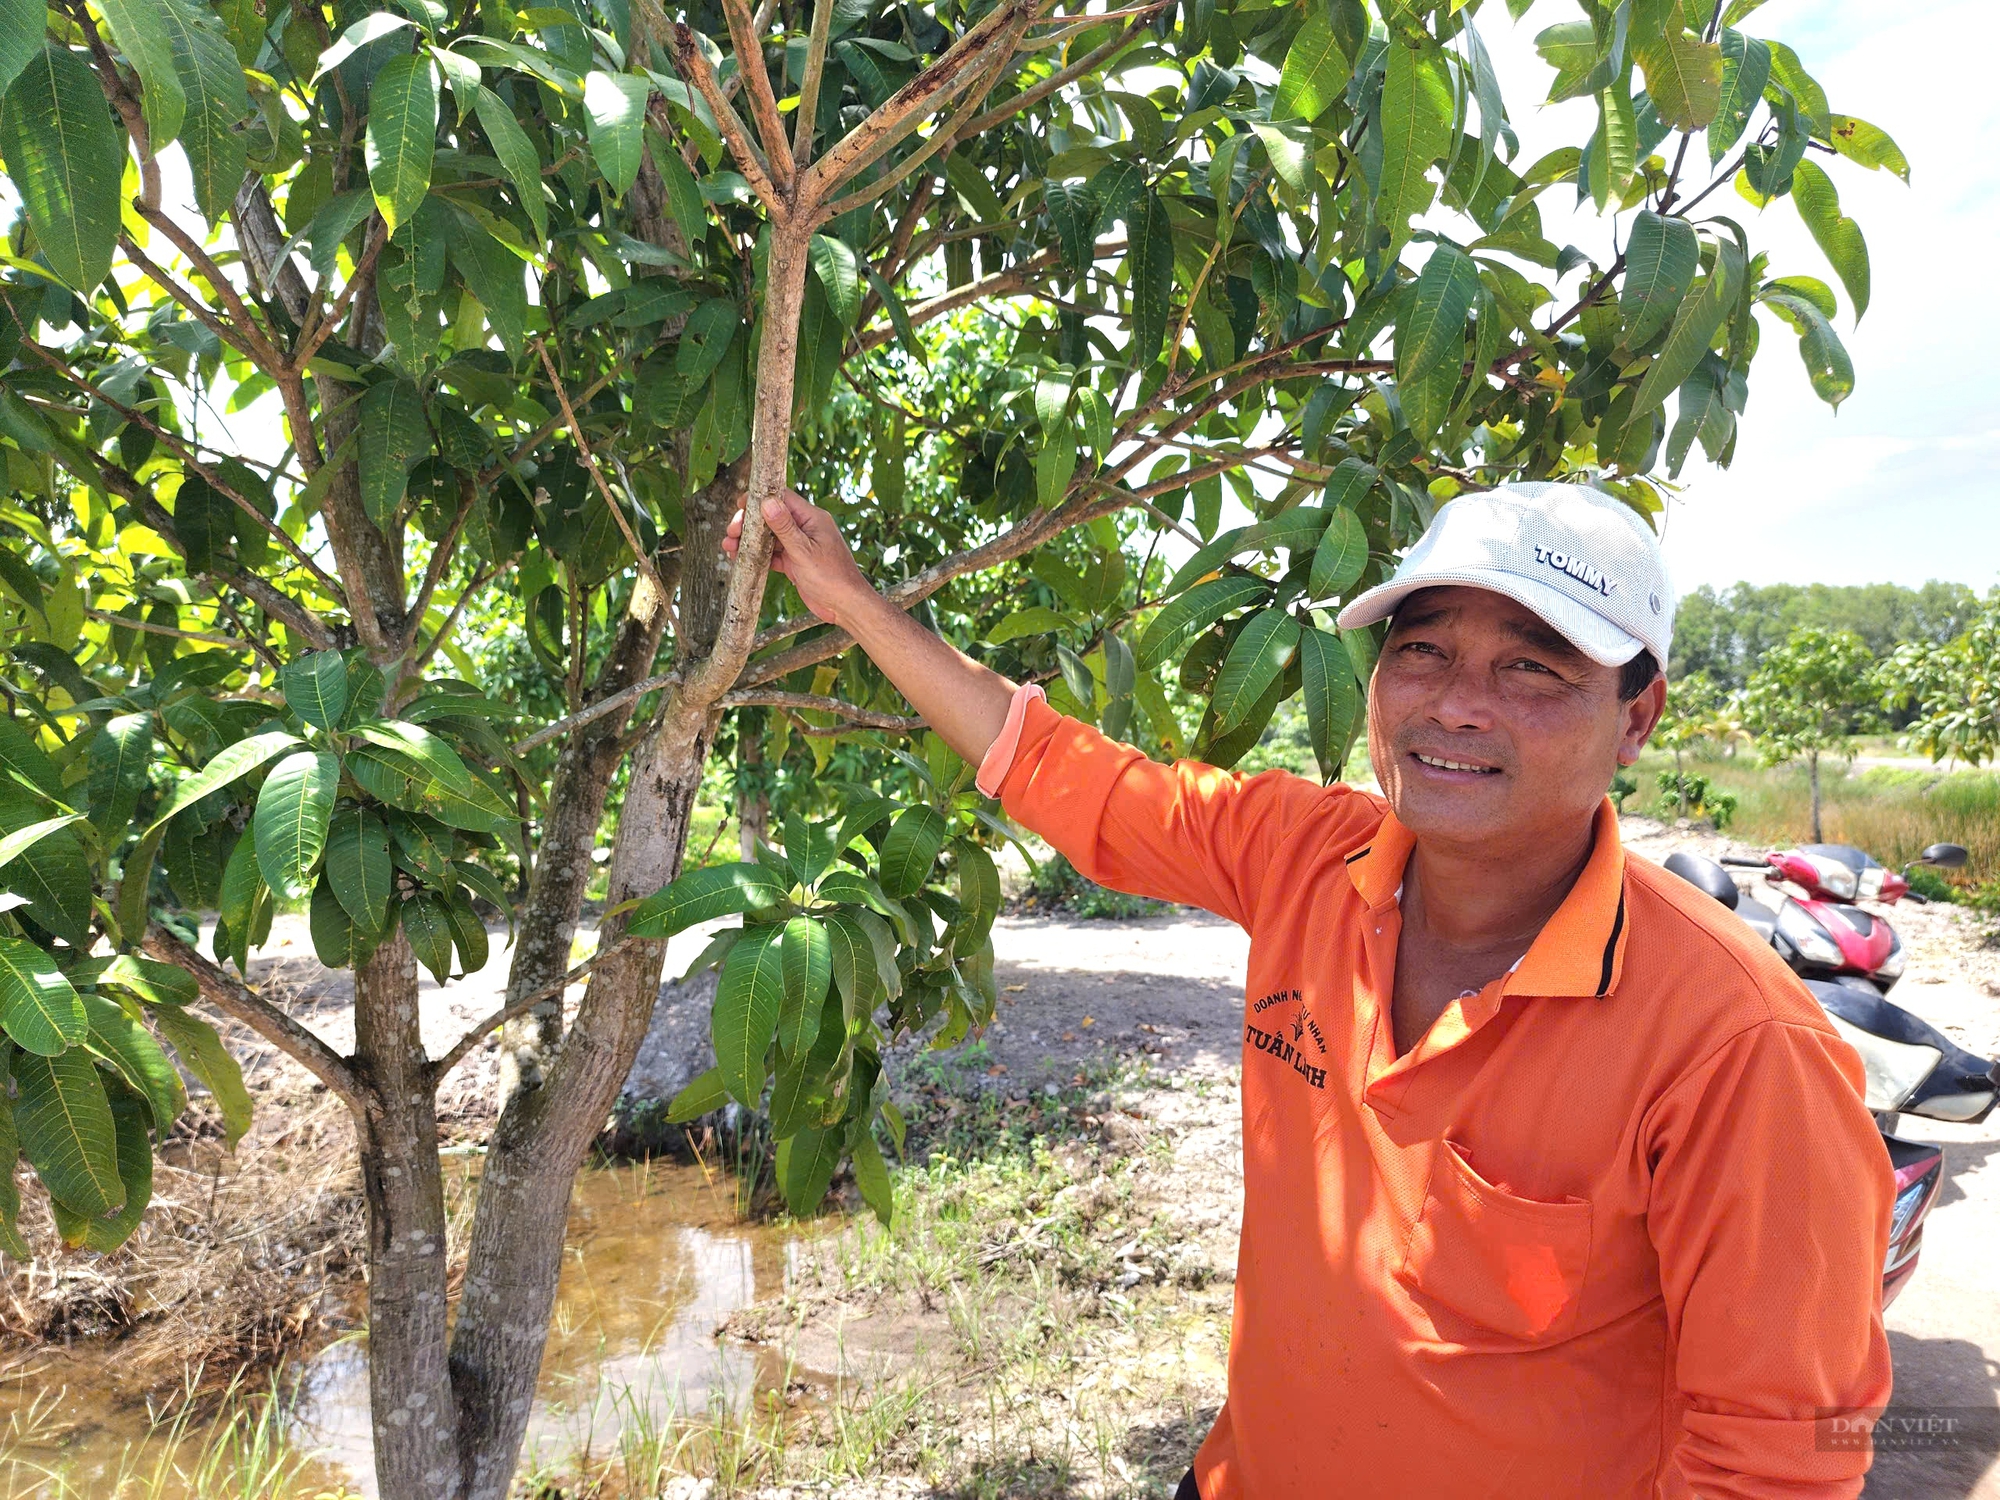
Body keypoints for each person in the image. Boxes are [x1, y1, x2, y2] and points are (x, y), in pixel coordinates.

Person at [723, 481, 1894, 1499]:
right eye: (1422, 651)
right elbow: (1064, 774)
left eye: (1530, 668)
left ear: (1634, 715)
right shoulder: (1304, 854)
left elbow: (1777, 1453)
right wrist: (856, 606)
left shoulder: (1738, 1045)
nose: (1455, 703)